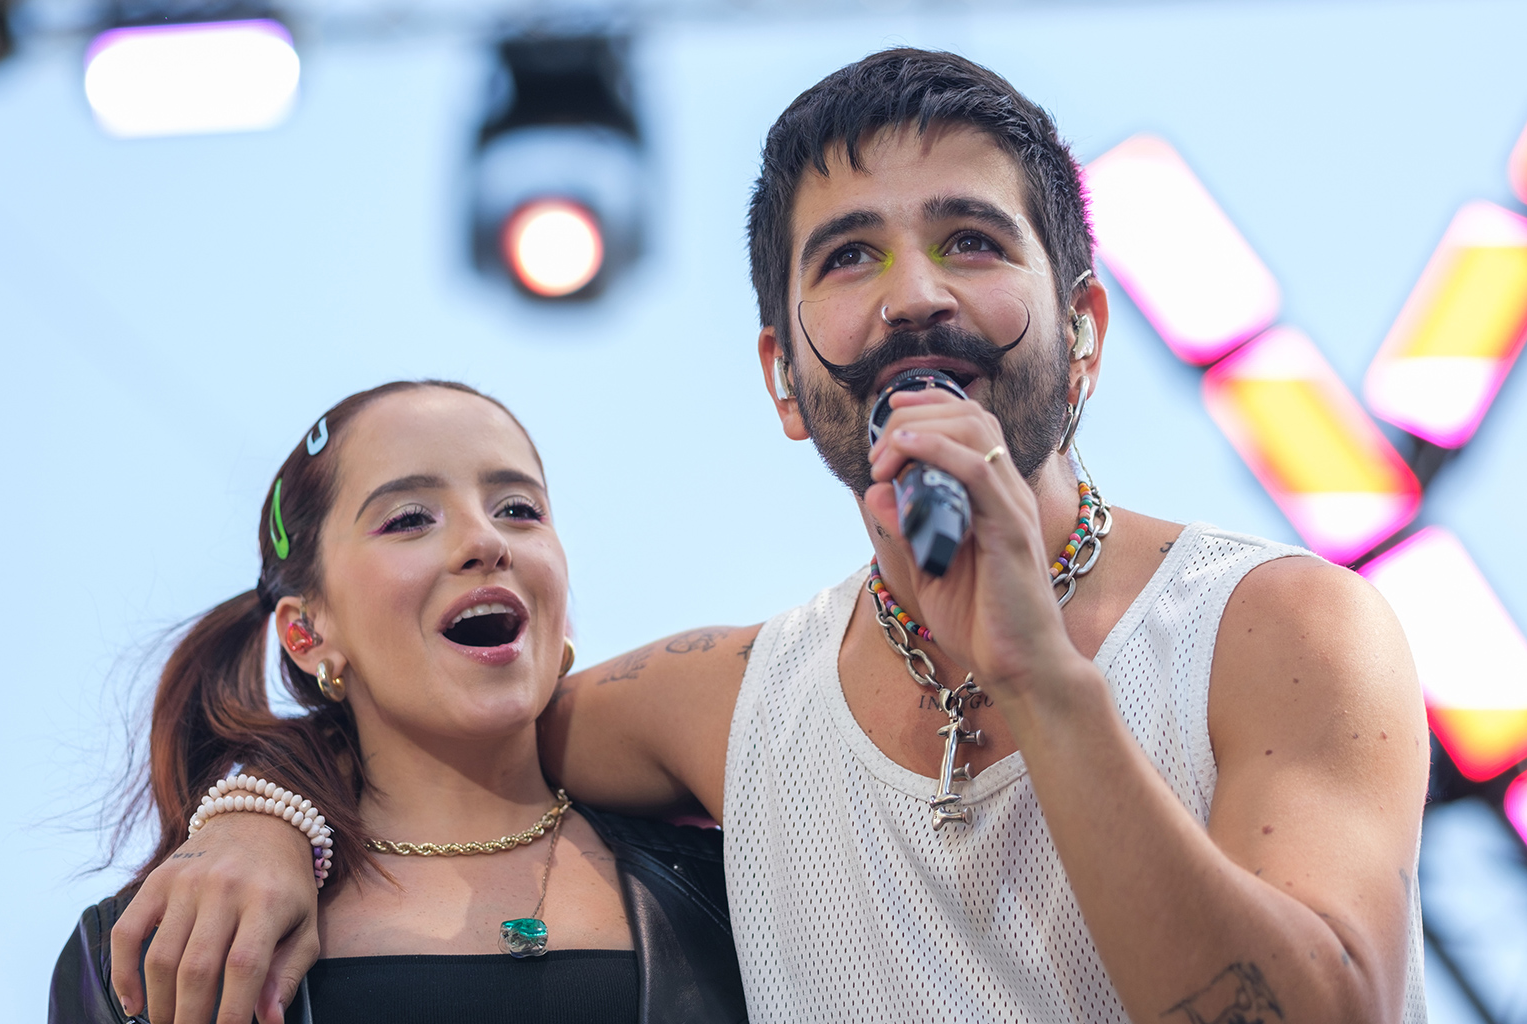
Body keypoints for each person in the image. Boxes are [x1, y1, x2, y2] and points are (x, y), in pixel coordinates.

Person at [102, 49, 1430, 1024]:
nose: (914, 297)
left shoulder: (1274, 631)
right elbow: (435, 722)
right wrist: (261, 818)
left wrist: (1042, 679)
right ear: (784, 380)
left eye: (970, 240)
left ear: (1084, 329)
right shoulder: (723, 702)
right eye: (846, 259)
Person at [49, 381, 746, 1024]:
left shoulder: (732, 885)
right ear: (306, 632)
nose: (485, 541)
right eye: (411, 519)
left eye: (519, 510)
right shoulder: (160, 951)